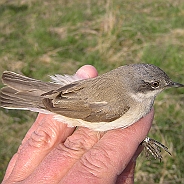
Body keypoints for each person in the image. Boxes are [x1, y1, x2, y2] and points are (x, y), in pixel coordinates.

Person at [2, 65, 154, 184]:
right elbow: (85, 109)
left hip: (74, 94)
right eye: (155, 84)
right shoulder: (126, 104)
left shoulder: (125, 81)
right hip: (75, 107)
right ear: (141, 87)